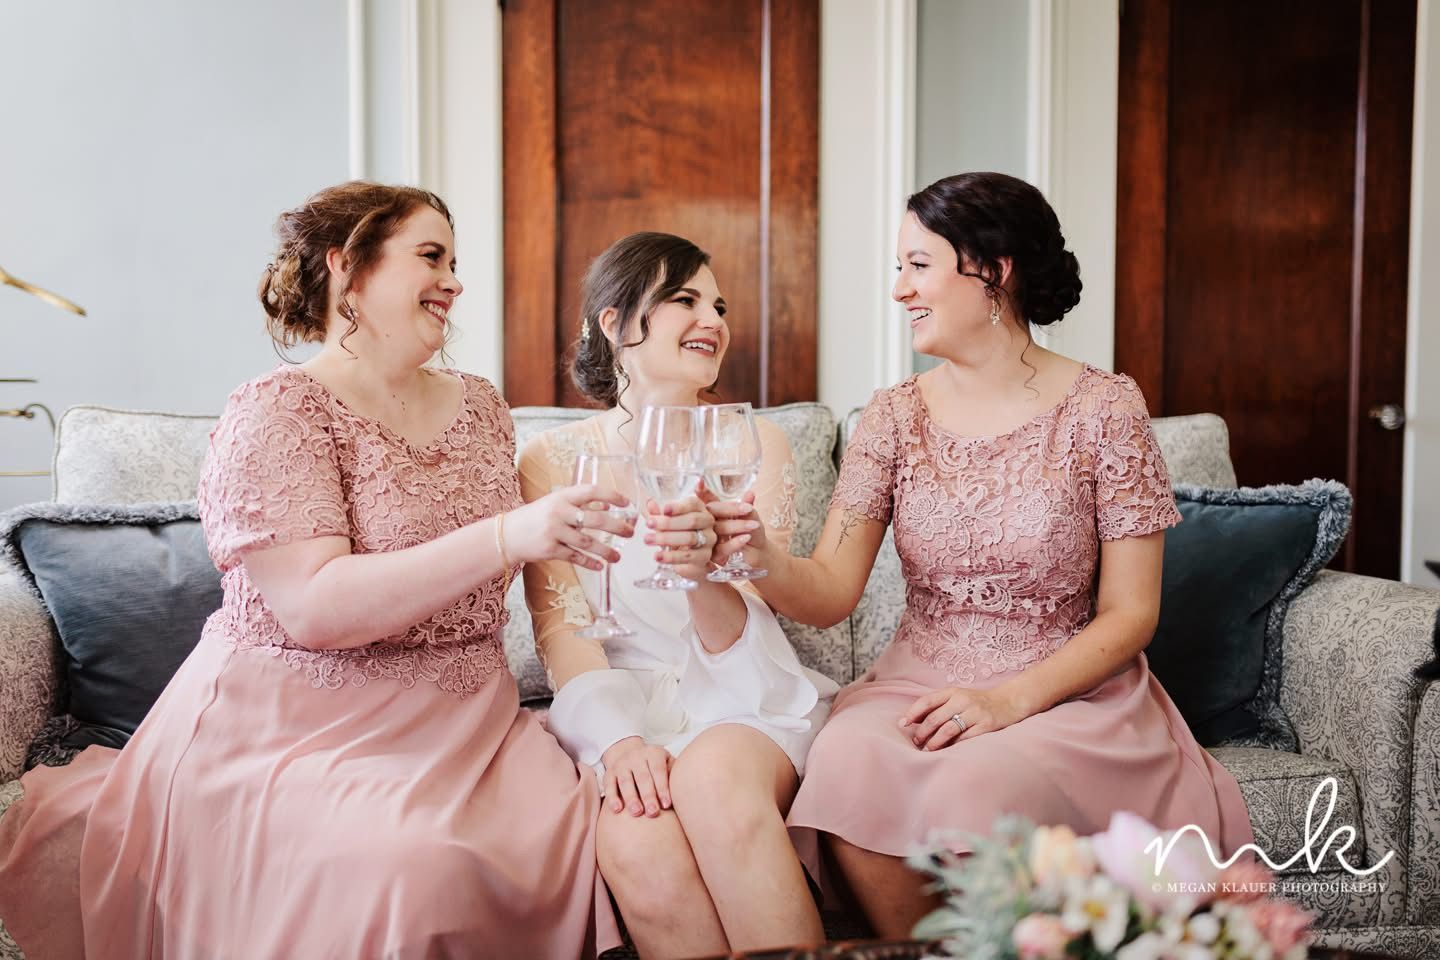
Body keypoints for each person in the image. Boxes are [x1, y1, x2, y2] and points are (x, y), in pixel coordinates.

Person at [0, 181, 631, 959]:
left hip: (470, 724)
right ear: (346, 268)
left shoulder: (482, 407)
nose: (456, 281)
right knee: (413, 870)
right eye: (430, 257)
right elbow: (314, 606)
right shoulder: (278, 409)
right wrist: (509, 535)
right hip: (297, 728)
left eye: (455, 261)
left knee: (574, 837)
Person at [708, 173, 1254, 937]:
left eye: (918, 265)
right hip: (917, 685)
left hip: (1063, 693)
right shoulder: (893, 416)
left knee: (976, 785)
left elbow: (1133, 613)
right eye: (899, 268)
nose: (900, 290)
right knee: (846, 765)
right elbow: (831, 588)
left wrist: (1005, 703)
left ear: (993, 270)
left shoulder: (1106, 408)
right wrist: (757, 553)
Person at [518, 232, 838, 957]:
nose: (714, 320)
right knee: (634, 844)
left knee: (716, 783)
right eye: (685, 299)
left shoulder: (754, 447)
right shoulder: (551, 460)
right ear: (615, 322)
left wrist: (700, 576)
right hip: (621, 704)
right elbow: (565, 631)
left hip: (744, 696)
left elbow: (748, 630)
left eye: (718, 304)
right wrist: (621, 741)